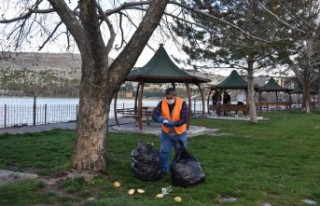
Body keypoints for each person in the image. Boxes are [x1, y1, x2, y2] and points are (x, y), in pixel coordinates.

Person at [152, 87, 188, 176]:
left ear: (175, 96)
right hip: (166, 133)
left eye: (170, 98)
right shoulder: (162, 102)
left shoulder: (182, 103)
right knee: (164, 152)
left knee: (180, 152)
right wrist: (158, 118)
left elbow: (184, 119)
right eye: (167, 98)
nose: (168, 99)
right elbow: (154, 114)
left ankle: (181, 171)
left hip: (179, 133)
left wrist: (174, 123)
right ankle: (164, 171)